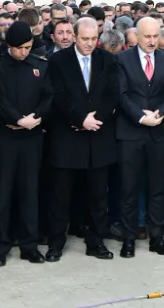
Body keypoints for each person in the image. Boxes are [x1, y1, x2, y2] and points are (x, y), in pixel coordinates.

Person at [46, 17, 120, 261]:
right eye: (84, 39)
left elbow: (112, 94)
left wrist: (94, 118)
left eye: (93, 39)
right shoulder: (58, 61)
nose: (89, 44)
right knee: (60, 195)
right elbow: (56, 95)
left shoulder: (107, 60)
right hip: (67, 138)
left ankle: (95, 242)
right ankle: (56, 243)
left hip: (98, 137)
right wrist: (80, 119)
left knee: (98, 196)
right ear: (75, 37)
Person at [116, 17, 164, 259]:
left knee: (158, 188)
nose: (153, 41)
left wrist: (161, 112)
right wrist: (140, 117)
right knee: (129, 189)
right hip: (131, 133)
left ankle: (157, 238)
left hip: (160, 132)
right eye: (147, 36)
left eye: (156, 36)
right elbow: (121, 94)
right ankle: (129, 238)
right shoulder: (122, 59)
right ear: (136, 36)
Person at [0, 21, 53, 267]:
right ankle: (0, 246)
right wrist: (17, 118)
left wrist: (35, 117)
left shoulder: (40, 66)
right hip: (4, 137)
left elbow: (49, 96)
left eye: (27, 47)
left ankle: (29, 245)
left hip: (31, 138)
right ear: (8, 46)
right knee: (2, 193)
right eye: (18, 48)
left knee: (30, 192)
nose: (23, 52)